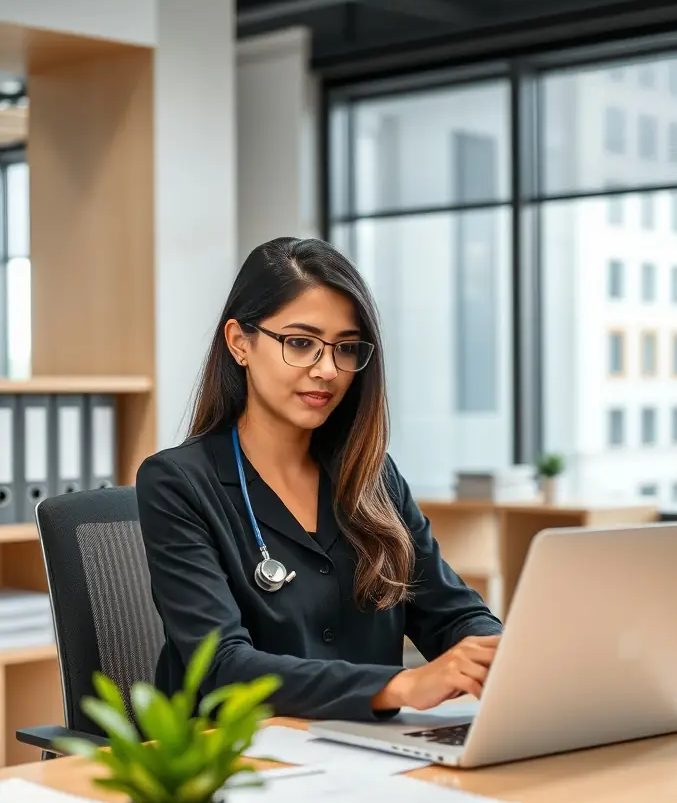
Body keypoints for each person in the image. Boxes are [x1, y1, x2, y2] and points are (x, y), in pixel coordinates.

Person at [136, 237, 502, 719]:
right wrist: (401, 685)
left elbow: (451, 612)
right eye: (301, 343)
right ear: (240, 343)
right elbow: (223, 667)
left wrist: (498, 654)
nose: (327, 370)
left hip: (365, 756)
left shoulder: (372, 477)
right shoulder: (178, 484)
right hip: (236, 760)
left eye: (346, 349)